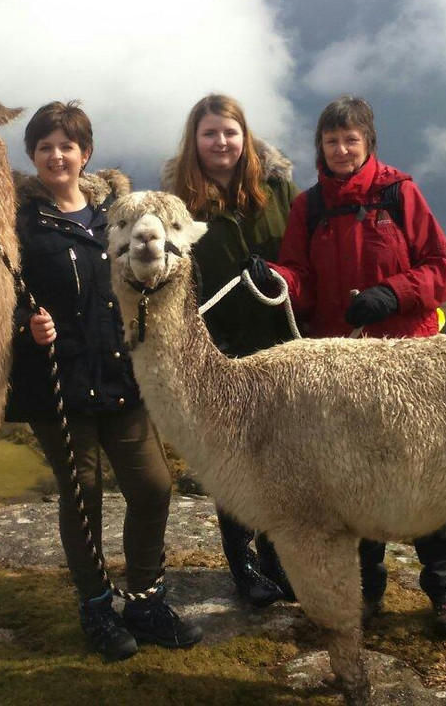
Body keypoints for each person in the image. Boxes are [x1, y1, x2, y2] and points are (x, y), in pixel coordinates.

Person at [5, 101, 203, 660]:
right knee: (83, 494)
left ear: (85, 153)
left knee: (152, 487)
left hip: (120, 372)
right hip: (58, 382)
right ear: (34, 157)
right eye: (45, 146)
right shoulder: (19, 225)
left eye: (67, 145)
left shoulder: (116, 216)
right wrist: (26, 325)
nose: (57, 155)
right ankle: (96, 608)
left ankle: (144, 599)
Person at [270, 95, 446, 636]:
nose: (340, 149)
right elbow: (300, 279)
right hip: (342, 366)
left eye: (350, 140)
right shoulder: (307, 207)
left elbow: (443, 265)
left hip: (409, 360)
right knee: (353, 480)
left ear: (368, 144)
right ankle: (365, 595)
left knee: (428, 470)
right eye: (331, 141)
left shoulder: (399, 194)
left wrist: (393, 293)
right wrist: (277, 279)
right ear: (321, 146)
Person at [164, 94, 299, 607]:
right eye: (209, 134)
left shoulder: (279, 189)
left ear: (245, 137)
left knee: (283, 455)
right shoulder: (177, 204)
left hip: (282, 340)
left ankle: (279, 559)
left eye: (229, 132)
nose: (221, 143)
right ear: (194, 142)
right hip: (218, 348)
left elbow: (302, 254)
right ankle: (243, 566)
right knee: (235, 457)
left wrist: (285, 277)